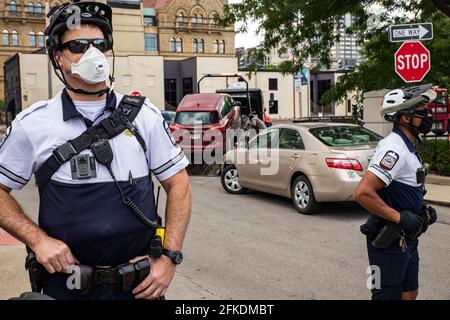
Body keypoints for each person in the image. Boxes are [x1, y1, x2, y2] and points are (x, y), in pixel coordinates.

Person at [0, 1, 191, 300]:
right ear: (58, 58)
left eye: (98, 44)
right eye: (78, 45)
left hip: (139, 289)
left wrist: (169, 258)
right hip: (66, 287)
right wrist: (38, 241)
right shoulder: (33, 124)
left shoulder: (145, 115)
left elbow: (179, 183)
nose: (92, 53)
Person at [354, 84, 438, 300]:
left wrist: (422, 210)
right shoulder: (394, 149)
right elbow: (363, 192)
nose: (427, 116)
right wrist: (399, 217)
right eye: (422, 111)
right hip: (388, 241)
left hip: (407, 239)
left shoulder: (408, 146)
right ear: (405, 118)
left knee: (410, 292)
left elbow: (401, 189)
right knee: (386, 296)